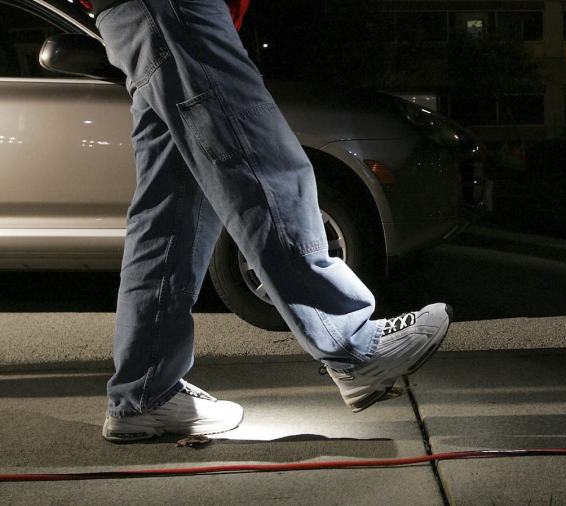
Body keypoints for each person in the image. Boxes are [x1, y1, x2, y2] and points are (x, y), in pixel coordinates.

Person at [76, 0, 452, 443]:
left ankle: (143, 394)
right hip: (175, 11)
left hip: (138, 16)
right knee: (265, 164)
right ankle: (352, 345)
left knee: (171, 215)